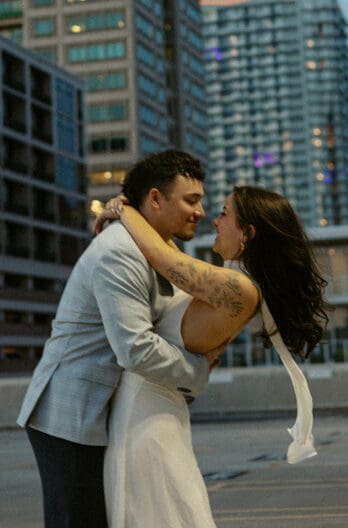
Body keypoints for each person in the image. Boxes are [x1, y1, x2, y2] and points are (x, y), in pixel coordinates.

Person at [96, 185, 329, 527]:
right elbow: (169, 256)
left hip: (145, 415)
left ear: (248, 233)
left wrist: (124, 210)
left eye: (223, 213)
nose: (215, 221)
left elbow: (161, 257)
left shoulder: (241, 290)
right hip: (150, 408)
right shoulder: (233, 283)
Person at [17, 149, 224, 528]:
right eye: (191, 201)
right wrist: (197, 371)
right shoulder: (120, 252)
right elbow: (135, 348)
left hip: (110, 412)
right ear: (156, 199)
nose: (200, 212)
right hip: (71, 412)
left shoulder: (159, 249)